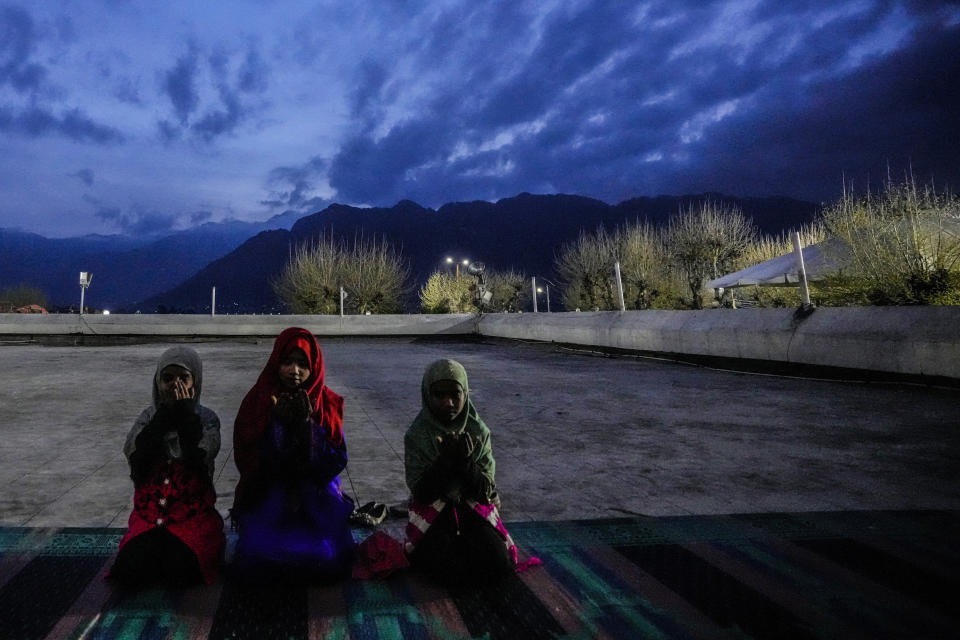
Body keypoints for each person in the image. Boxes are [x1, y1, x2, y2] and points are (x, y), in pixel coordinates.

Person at [231, 327, 354, 581]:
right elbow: (248, 456)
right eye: (287, 362)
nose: (294, 371)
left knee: (327, 556)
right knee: (254, 555)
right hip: (270, 492)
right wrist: (276, 428)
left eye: (302, 364)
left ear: (314, 367)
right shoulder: (259, 400)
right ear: (276, 362)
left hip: (316, 494)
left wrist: (308, 427)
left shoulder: (326, 403)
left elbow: (336, 459)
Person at [110, 346, 224, 587]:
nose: (175, 385)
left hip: (192, 515)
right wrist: (164, 417)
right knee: (129, 570)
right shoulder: (148, 417)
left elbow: (199, 459)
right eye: (167, 378)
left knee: (183, 569)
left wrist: (184, 414)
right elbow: (137, 458)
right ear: (157, 382)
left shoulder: (207, 419)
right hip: (150, 514)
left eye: (184, 378)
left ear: (196, 381)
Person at [403, 359, 518, 587]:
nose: (449, 403)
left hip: (472, 506)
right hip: (435, 508)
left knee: (499, 563)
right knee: (445, 570)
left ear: (465, 393)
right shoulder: (417, 435)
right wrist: (444, 462)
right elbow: (422, 493)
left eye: (456, 394)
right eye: (439, 395)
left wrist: (465, 463)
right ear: (427, 395)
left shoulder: (478, 431)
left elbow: (485, 491)